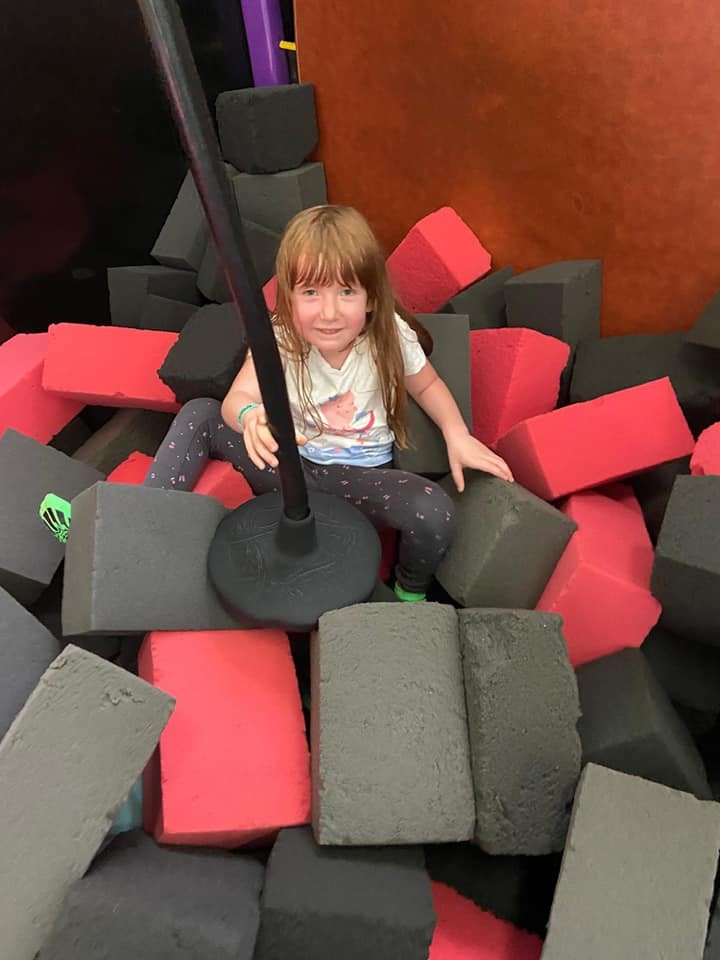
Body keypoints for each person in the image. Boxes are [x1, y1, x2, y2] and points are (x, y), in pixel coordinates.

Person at [144, 204, 513, 601]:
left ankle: (408, 595)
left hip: (360, 482)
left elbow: (428, 386)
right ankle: (145, 519)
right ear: (289, 297)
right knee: (201, 412)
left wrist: (456, 434)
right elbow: (239, 397)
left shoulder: (390, 335)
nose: (329, 312)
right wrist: (250, 417)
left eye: (346, 292)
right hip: (286, 468)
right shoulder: (280, 337)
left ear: (370, 297)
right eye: (311, 293)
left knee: (435, 513)